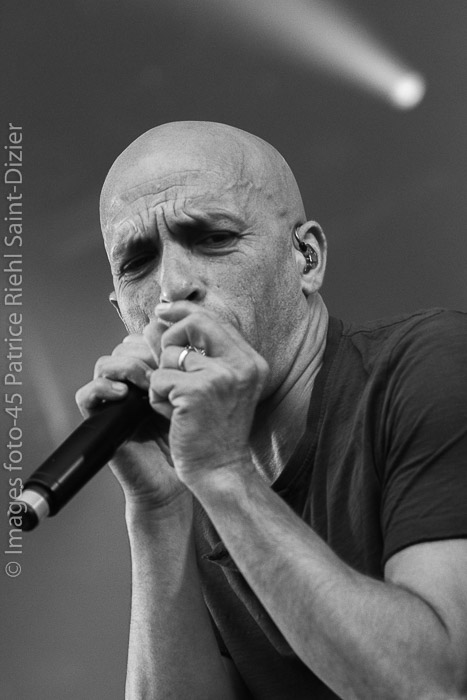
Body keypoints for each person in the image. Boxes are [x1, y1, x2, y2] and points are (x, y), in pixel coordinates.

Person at [76, 121, 467, 699]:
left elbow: (435, 687)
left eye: (213, 238)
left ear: (306, 258)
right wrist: (158, 508)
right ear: (121, 313)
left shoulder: (431, 363)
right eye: (137, 263)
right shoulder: (196, 468)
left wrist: (224, 475)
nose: (172, 287)